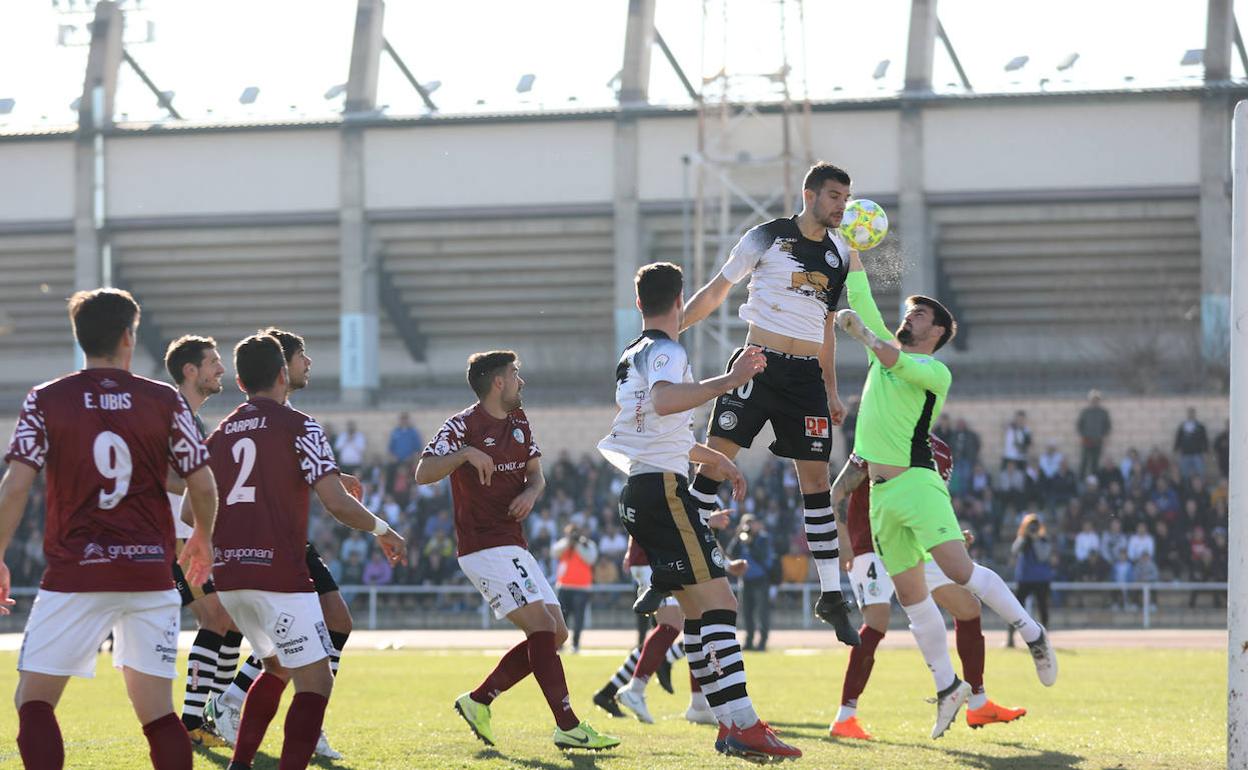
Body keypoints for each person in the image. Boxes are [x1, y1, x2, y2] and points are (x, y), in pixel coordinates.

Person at [835, 248, 1056, 739]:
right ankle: (948, 688)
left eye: (919, 314)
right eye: (909, 312)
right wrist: (851, 250)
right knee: (913, 600)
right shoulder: (882, 351)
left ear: (936, 332)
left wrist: (865, 335)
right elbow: (861, 296)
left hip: (917, 482)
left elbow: (891, 355)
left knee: (960, 573)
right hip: (881, 496)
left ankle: (1032, 631)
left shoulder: (935, 371)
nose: (909, 317)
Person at [0, 288, 218, 768]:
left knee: (33, 703)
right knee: (158, 715)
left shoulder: (46, 399)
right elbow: (202, 483)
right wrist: (203, 535)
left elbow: (15, 487)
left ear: (79, 337)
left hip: (76, 572)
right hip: (150, 574)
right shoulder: (164, 399)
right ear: (127, 337)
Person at [599, 261, 801, 760]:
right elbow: (667, 401)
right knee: (721, 605)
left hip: (643, 488)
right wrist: (731, 378)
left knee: (695, 611)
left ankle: (728, 721)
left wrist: (717, 460)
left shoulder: (633, 352)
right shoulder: (666, 350)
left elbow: (659, 432)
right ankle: (742, 722)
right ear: (679, 299)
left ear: (639, 302)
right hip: (663, 493)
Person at [678, 162, 861, 643]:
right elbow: (717, 290)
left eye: (846, 198)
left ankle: (831, 597)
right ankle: (674, 563)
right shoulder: (766, 236)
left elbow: (826, 328)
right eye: (834, 196)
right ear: (809, 195)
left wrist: (830, 389)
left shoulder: (842, 253)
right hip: (757, 364)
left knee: (816, 484)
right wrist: (669, 331)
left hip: (805, 380)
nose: (841, 206)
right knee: (712, 466)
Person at [206, 333, 405, 770]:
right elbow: (336, 503)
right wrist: (383, 529)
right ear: (282, 374)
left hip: (230, 576)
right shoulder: (300, 425)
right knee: (316, 682)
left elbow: (192, 507)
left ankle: (240, 763)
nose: (308, 363)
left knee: (276, 667)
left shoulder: (221, 432)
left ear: (240, 382)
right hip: (278, 573)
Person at [417, 350, 620, 752]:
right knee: (542, 627)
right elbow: (423, 473)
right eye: (515, 374)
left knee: (556, 632)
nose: (521, 381)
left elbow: (537, 476)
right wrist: (465, 453)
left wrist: (531, 493)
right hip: (482, 546)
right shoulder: (462, 425)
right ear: (498, 382)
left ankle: (479, 701)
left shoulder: (520, 421)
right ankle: (568, 725)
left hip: (512, 543)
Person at [829, 435, 1026, 741]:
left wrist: (949, 537)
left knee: (967, 607)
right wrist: (844, 544)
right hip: (868, 544)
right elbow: (839, 491)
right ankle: (845, 716)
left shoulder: (940, 450)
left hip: (912, 545)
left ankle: (978, 702)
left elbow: (927, 503)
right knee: (876, 621)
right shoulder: (880, 435)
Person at [161, 335, 238, 747]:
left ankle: (215, 713)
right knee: (217, 618)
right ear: (190, 371)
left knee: (231, 619)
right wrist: (204, 489)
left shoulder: (193, 420)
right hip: (176, 538)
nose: (221, 369)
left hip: (192, 535)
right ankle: (195, 720)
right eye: (213, 362)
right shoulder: (171, 415)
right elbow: (157, 475)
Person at [592, 535, 723, 726]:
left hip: (660, 559)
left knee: (680, 629)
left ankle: (612, 691)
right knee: (675, 627)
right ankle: (640, 687)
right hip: (657, 560)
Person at [1005, 514, 1053, 649]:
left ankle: (1044, 639)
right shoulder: (1023, 539)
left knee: (1043, 609)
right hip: (1025, 579)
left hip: (1041, 579)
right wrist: (1024, 537)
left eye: (1035, 526)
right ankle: (1010, 638)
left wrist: (1036, 540)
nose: (1033, 529)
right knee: (1015, 608)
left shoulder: (1044, 540)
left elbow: (1042, 556)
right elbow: (1014, 550)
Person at [727, 514, 775, 652]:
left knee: (762, 613)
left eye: (751, 523)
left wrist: (751, 543)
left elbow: (763, 557)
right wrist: (737, 537)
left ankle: (762, 642)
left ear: (757, 524)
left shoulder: (763, 538)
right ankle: (749, 641)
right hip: (745, 580)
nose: (748, 526)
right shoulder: (741, 538)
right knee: (747, 613)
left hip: (761, 580)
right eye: (746, 523)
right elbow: (730, 553)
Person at [552, 524, 598, 653]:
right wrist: (568, 542)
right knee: (562, 618)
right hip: (564, 587)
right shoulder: (564, 543)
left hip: (582, 588)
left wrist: (577, 544)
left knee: (579, 619)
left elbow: (590, 559)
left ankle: (575, 645)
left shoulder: (587, 544)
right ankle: (560, 644)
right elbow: (554, 552)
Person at [1077, 391, 1112, 480]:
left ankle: (1094, 481)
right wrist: (1083, 436)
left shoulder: (1103, 412)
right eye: (1093, 399)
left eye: (1097, 399)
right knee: (1084, 461)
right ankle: (1081, 480)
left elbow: (1108, 426)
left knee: (1095, 463)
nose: (1095, 401)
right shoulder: (1085, 412)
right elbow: (1079, 425)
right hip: (1087, 440)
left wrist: (1103, 436)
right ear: (1090, 400)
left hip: (1098, 441)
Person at [1173, 407, 1209, 480]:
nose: (1191, 415)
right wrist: (1175, 451)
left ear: (1194, 414)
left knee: (1200, 473)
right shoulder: (1182, 426)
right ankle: (1186, 487)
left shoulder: (1200, 426)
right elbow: (1178, 439)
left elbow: (1204, 440)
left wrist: (1205, 452)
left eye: (1192, 413)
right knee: (1184, 474)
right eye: (1189, 413)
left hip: (1197, 454)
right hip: (1185, 454)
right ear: (1187, 414)